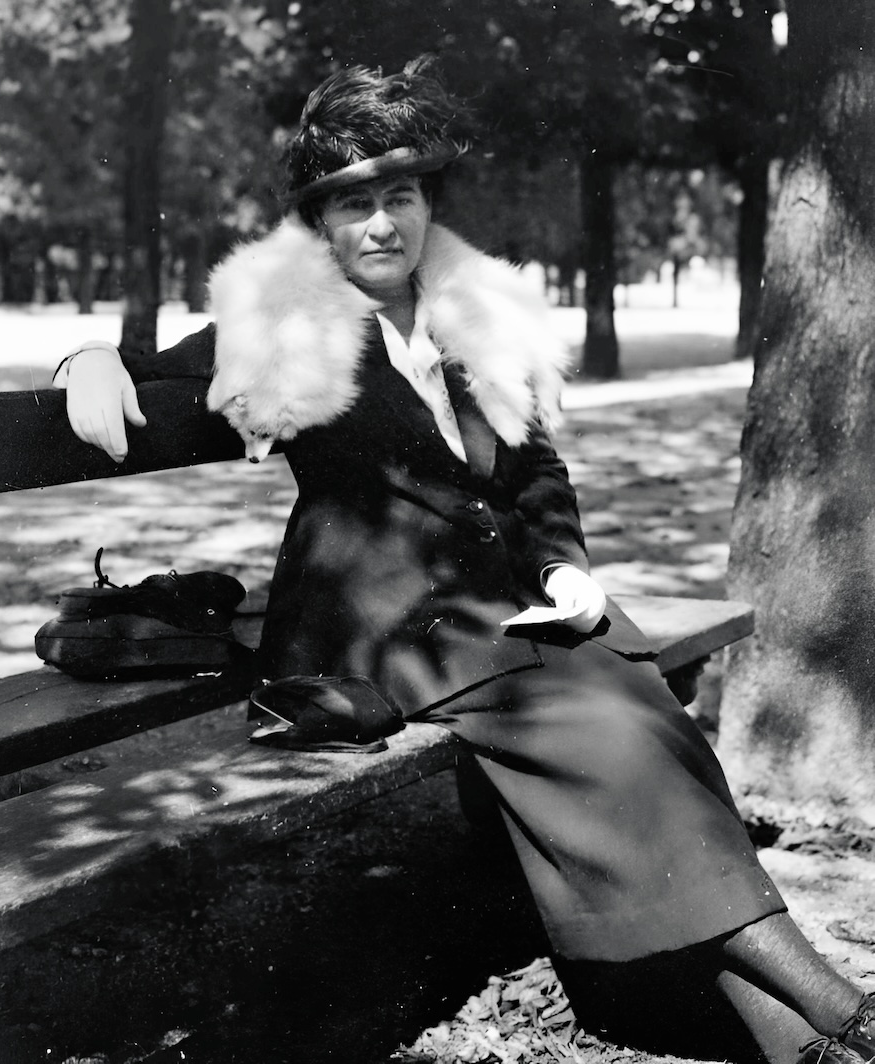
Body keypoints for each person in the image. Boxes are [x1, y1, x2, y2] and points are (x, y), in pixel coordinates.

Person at [54, 58, 874, 1064]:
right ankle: (834, 1004)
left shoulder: (475, 318)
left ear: (425, 204)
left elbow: (535, 471)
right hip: (379, 623)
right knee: (610, 734)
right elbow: (150, 370)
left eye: (398, 196)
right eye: (354, 205)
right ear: (321, 223)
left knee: (649, 721)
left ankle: (802, 1040)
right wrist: (83, 361)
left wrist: (567, 570)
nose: (382, 225)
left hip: (505, 614)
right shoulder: (283, 324)